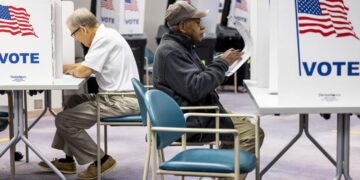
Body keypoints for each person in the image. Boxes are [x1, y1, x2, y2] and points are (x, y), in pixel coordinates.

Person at [153, 1, 265, 179]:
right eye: (197, 22)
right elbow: (196, 88)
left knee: (248, 125)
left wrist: (221, 65)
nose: (202, 26)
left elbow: (196, 81)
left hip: (198, 110)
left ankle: (224, 172)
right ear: (183, 26)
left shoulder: (181, 47)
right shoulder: (171, 52)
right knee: (252, 134)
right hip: (191, 118)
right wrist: (221, 63)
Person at [38, 8, 140, 179]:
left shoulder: (103, 39)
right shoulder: (107, 34)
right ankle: (68, 160)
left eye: (73, 34)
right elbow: (82, 66)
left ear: (83, 29)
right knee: (73, 101)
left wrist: (71, 70)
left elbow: (83, 71)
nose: (75, 39)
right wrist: (61, 69)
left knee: (63, 120)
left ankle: (102, 160)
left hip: (120, 100)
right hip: (116, 96)